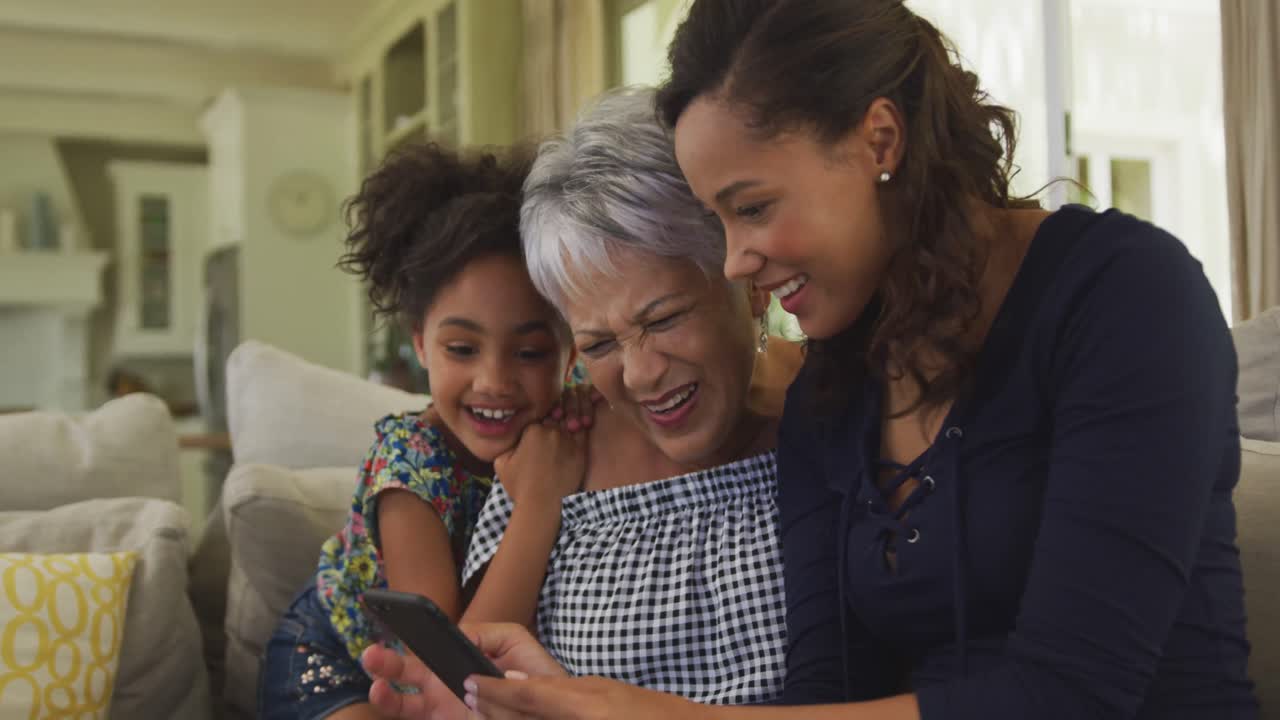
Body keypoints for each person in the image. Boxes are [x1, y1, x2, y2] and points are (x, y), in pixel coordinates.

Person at [365, 1, 1259, 718]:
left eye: (752, 208)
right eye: (718, 221)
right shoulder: (841, 381)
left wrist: (640, 713)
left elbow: (1074, 695)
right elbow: (830, 690)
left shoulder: (1125, 295)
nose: (734, 262)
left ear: (880, 140)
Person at [367, 86, 804, 714]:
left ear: (748, 281)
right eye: (599, 344)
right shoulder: (553, 448)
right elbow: (470, 686)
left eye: (664, 318)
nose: (642, 375)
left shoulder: (844, 413)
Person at [257, 142, 593, 720]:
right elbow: (450, 670)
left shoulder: (566, 417)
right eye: (461, 348)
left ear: (571, 352)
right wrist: (539, 502)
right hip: (338, 661)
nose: (494, 381)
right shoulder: (411, 467)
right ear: (420, 343)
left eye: (531, 352)